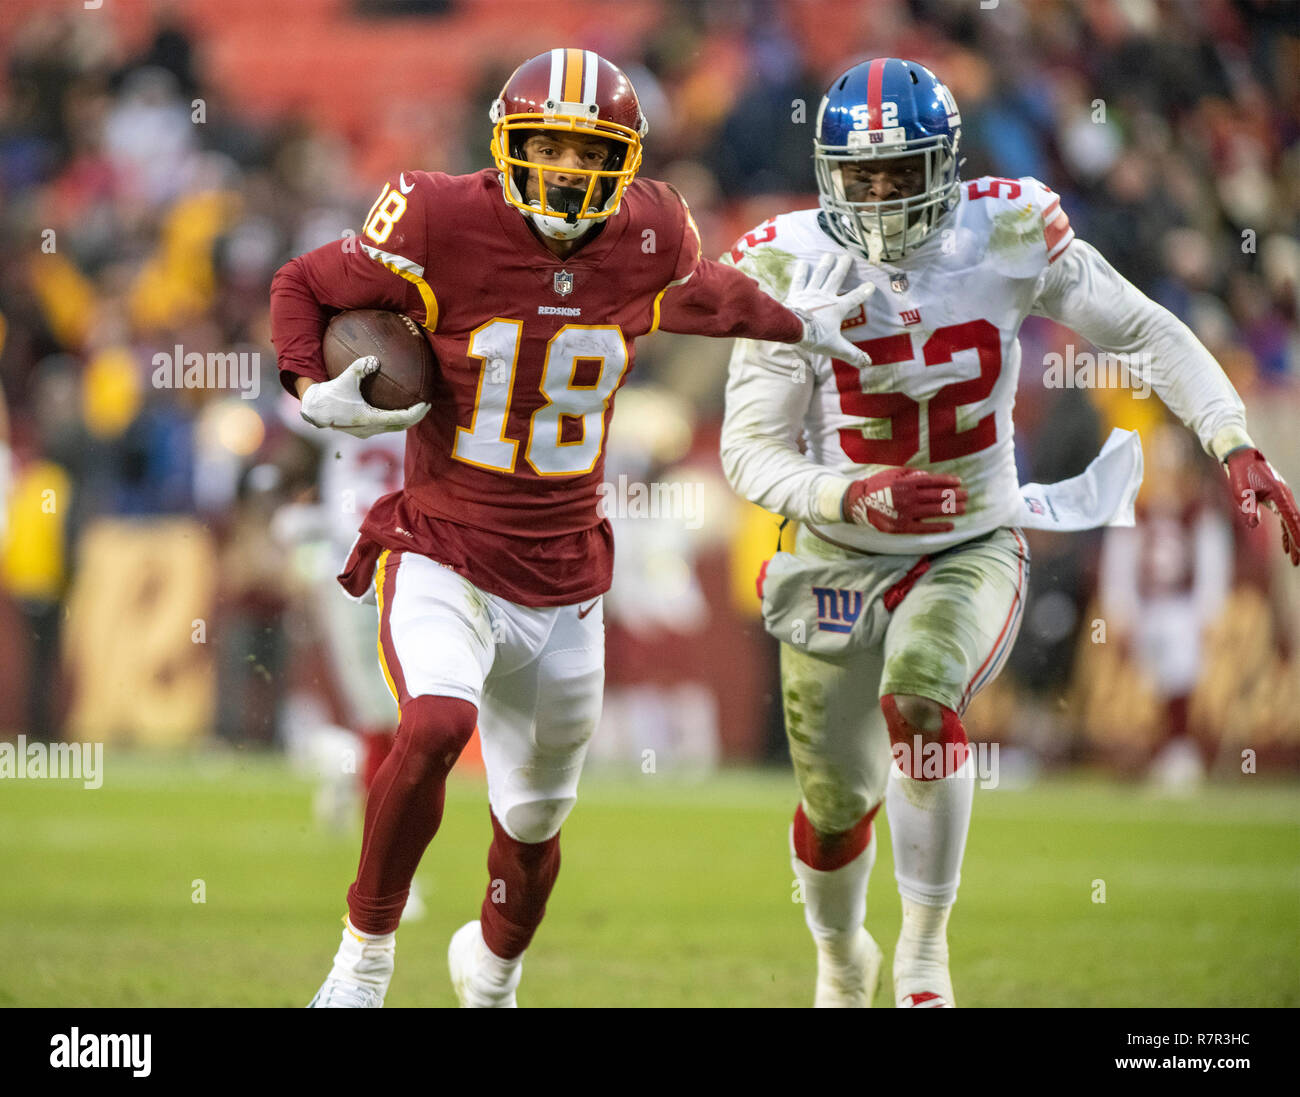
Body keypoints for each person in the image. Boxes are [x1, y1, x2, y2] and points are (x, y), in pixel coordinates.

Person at [270, 48, 870, 1007]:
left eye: (587, 152)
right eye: (543, 146)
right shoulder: (437, 215)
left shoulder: (651, 230)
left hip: (564, 575)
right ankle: (362, 963)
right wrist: (308, 386)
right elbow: (303, 281)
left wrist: (793, 324)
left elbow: (699, 295)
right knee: (432, 722)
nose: (563, 170)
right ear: (506, 146)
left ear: (624, 162)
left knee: (536, 824)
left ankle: (494, 977)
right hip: (445, 542)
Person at [719, 57, 1300, 1008]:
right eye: (858, 175)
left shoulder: (1009, 231)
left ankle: (923, 959)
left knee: (922, 702)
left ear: (944, 165)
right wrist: (848, 497)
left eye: (898, 172)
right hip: (833, 552)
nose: (876, 197)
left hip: (969, 537)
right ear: (825, 171)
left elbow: (1147, 332)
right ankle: (839, 959)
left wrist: (1233, 440)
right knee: (831, 810)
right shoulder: (788, 262)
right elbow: (749, 453)